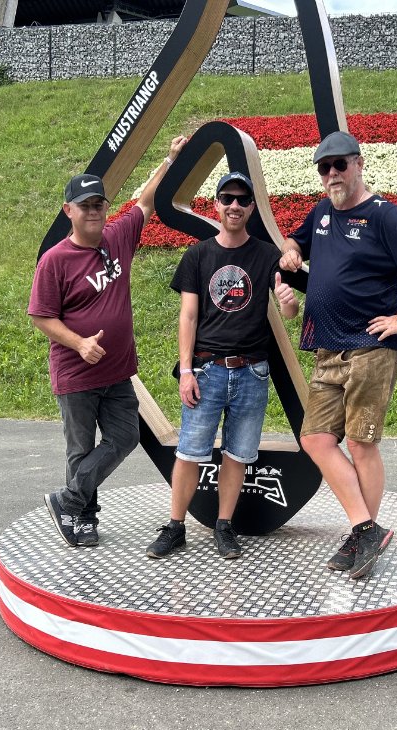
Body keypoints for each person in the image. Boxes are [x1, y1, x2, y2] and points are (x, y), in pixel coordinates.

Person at [280, 130, 397, 580]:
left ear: (359, 164)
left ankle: (362, 536)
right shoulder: (321, 212)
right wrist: (292, 253)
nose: (332, 174)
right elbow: (294, 242)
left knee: (360, 442)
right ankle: (366, 530)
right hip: (327, 348)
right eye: (324, 168)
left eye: (339, 164)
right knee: (316, 439)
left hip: (371, 348)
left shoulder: (383, 215)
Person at [30, 135, 187, 547]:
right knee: (80, 450)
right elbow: (41, 316)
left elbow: (145, 203)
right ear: (69, 211)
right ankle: (82, 518)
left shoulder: (118, 237)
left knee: (125, 436)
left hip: (117, 373)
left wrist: (170, 160)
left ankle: (67, 500)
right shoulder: (55, 261)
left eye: (98, 204)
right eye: (85, 206)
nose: (93, 211)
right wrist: (79, 343)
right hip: (76, 375)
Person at [146, 172, 298, 560]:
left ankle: (224, 525)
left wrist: (288, 302)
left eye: (243, 200)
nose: (235, 205)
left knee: (238, 454)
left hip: (252, 371)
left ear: (252, 207)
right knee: (189, 451)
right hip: (207, 370)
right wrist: (185, 371)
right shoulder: (198, 256)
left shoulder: (265, 255)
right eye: (227, 198)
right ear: (215, 204)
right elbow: (188, 317)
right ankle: (175, 526)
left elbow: (289, 311)